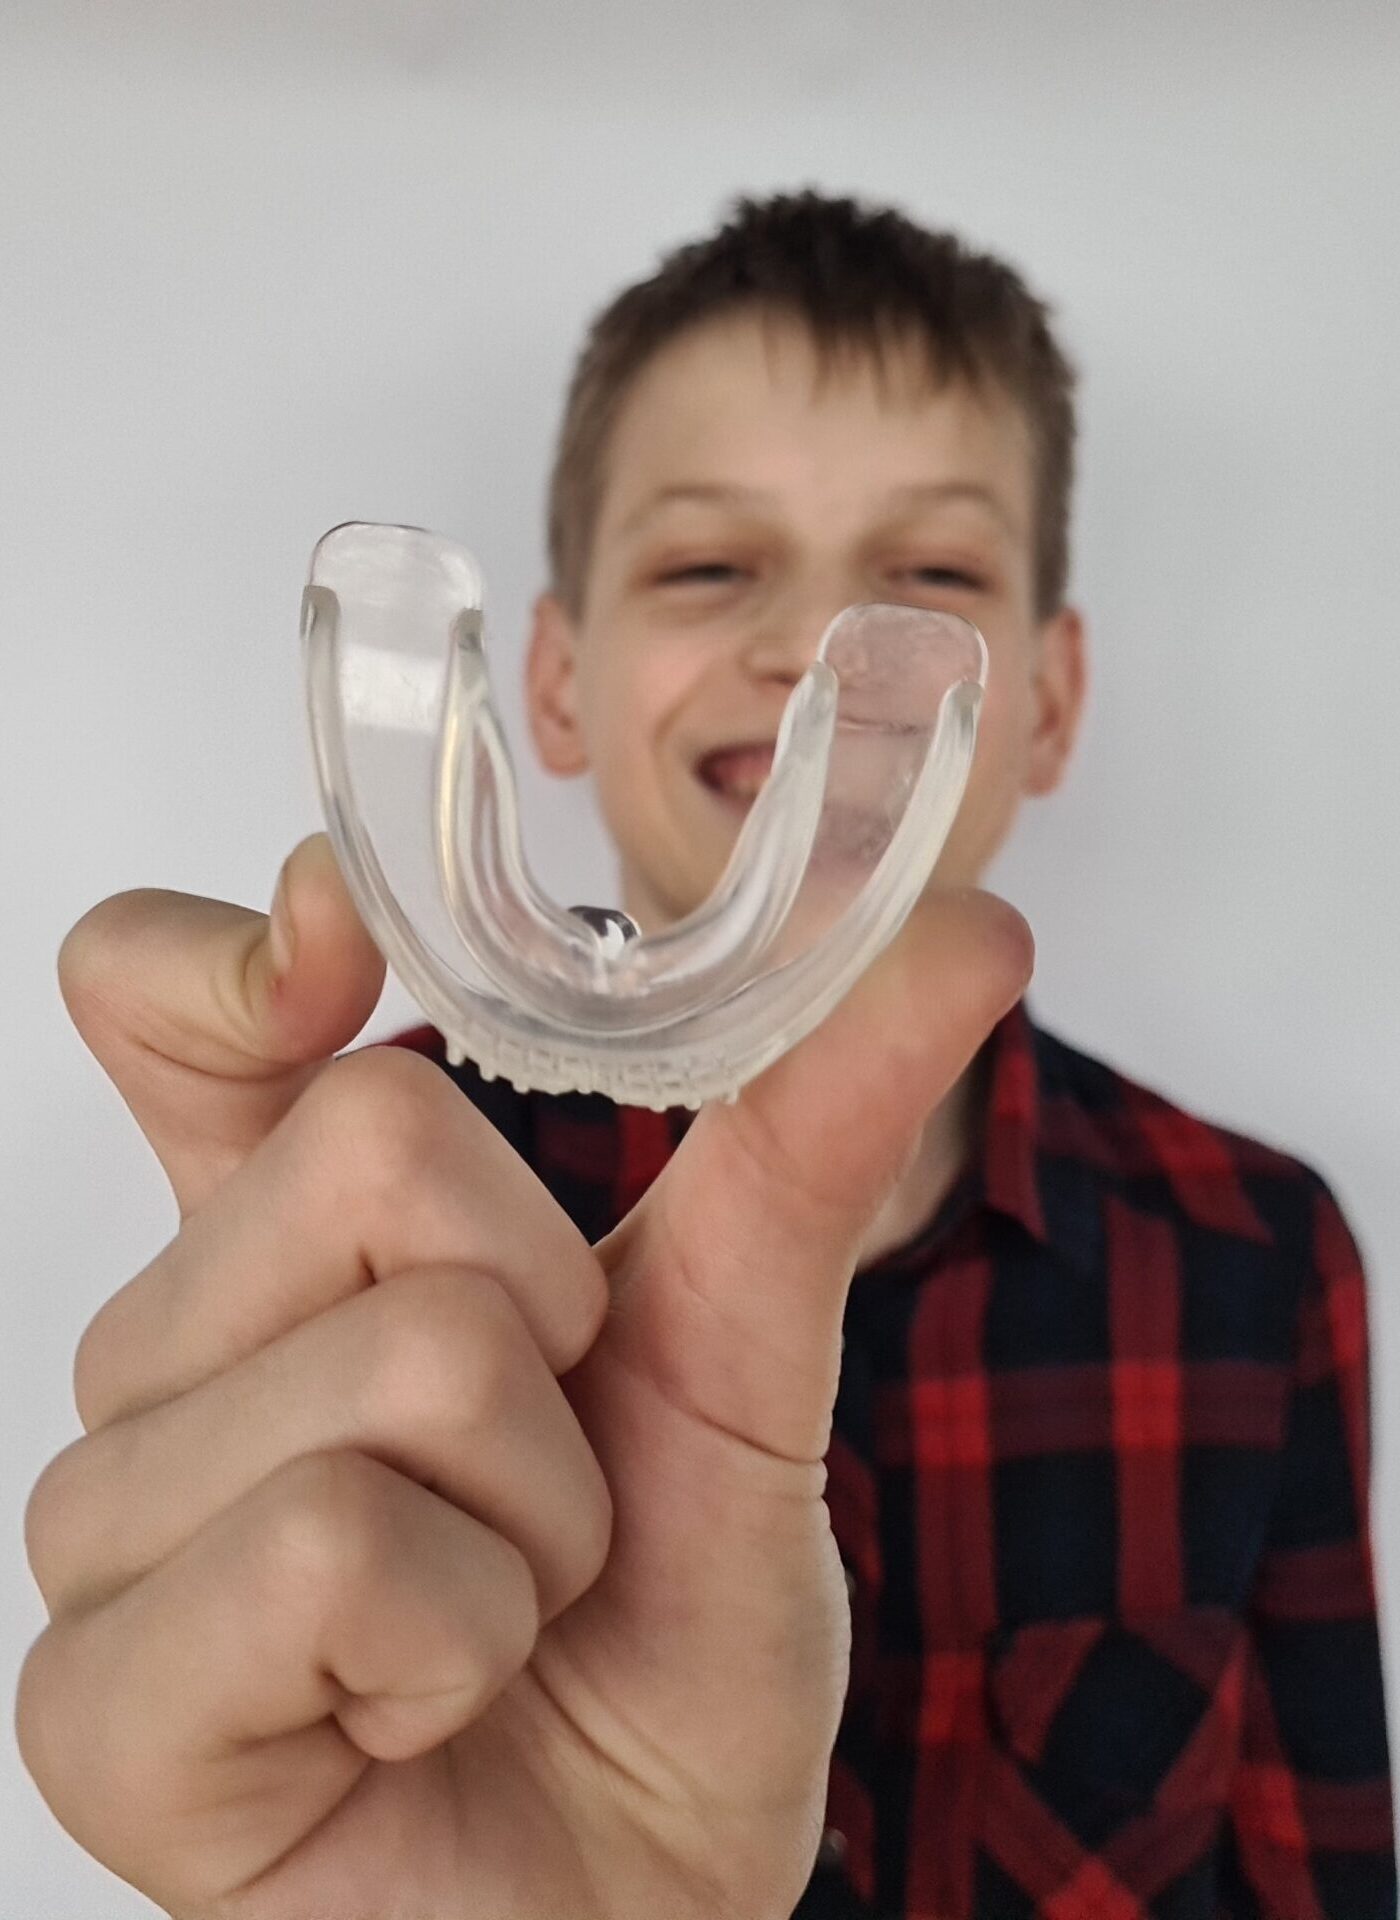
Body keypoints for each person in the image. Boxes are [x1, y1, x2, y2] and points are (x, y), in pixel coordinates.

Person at [17, 191, 1392, 1920]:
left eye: (930, 577)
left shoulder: (1255, 1265)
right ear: (556, 681)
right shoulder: (388, 1228)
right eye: (709, 565)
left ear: (1045, 702)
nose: (813, 649)